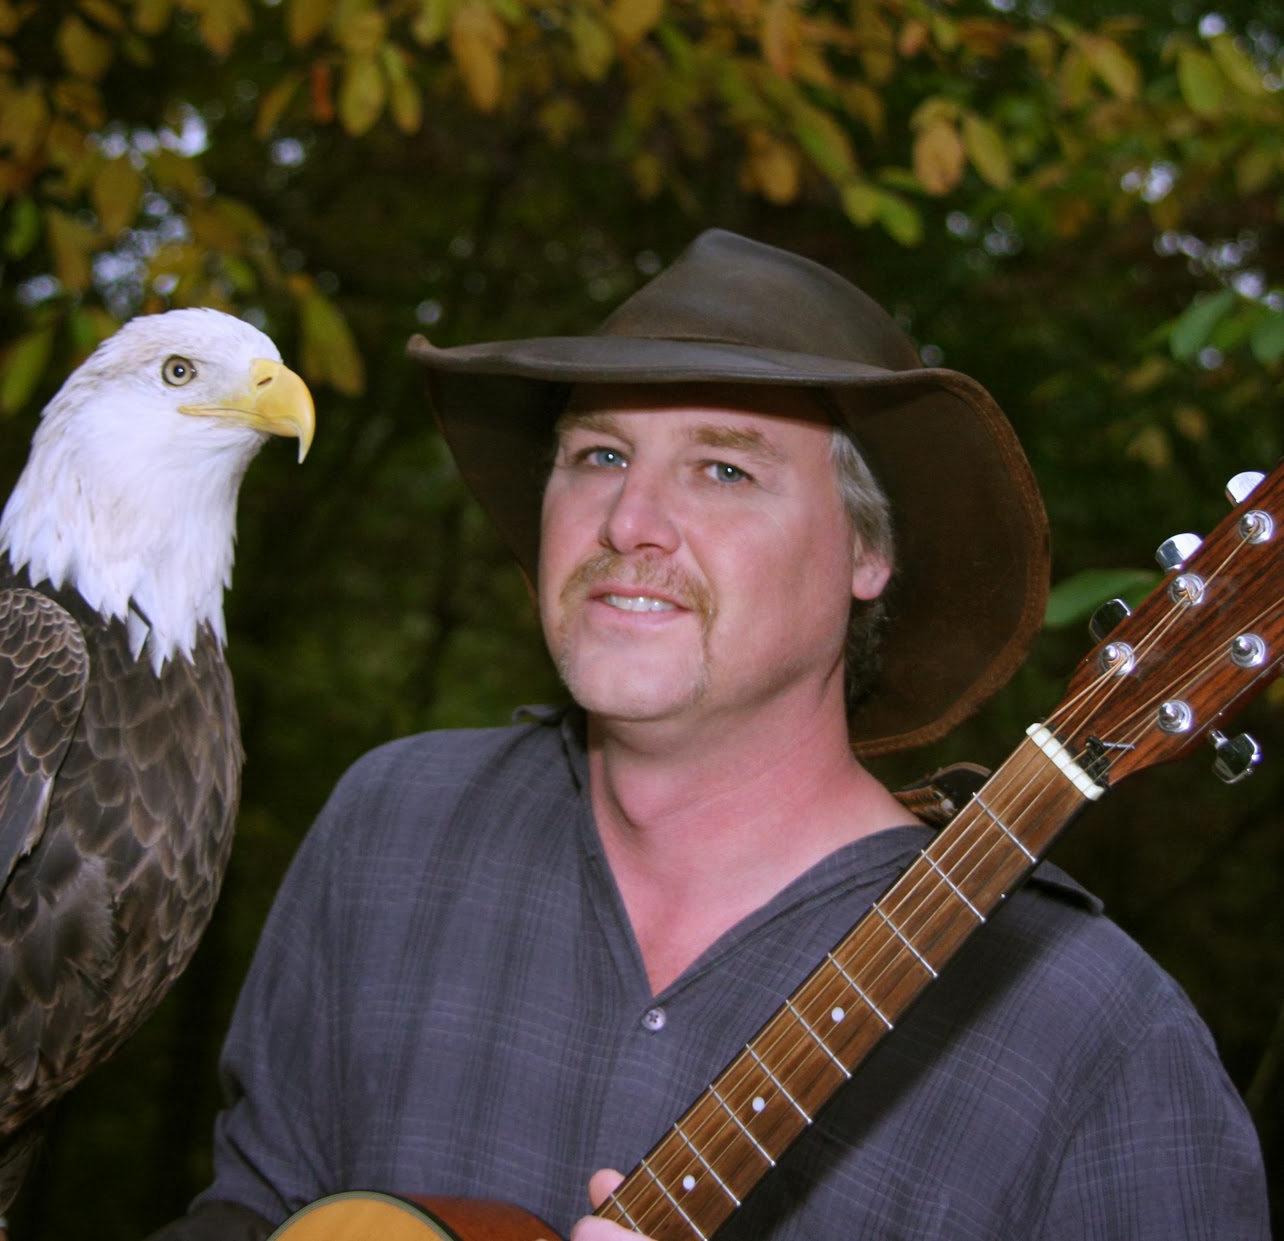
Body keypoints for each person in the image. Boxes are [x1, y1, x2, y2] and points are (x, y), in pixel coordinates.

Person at [146, 230, 1269, 1240]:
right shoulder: (393, 828)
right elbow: (255, 1206)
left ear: (868, 557)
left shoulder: (1093, 1030)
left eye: (725, 470)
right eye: (597, 455)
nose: (630, 521)